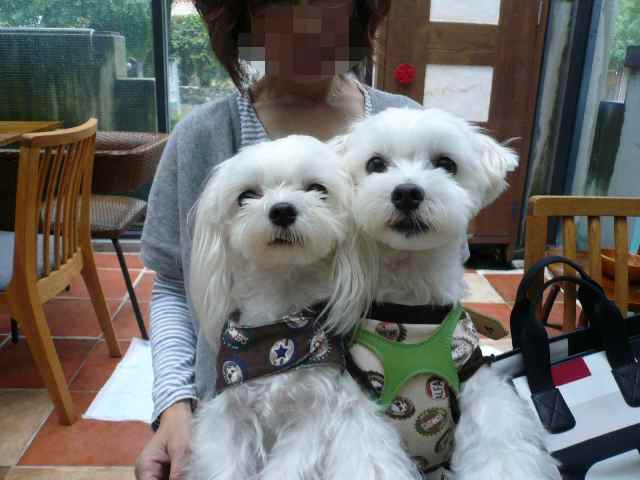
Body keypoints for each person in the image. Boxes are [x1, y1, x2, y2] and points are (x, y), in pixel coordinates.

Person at [135, 1, 433, 478]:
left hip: (393, 424)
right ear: (242, 16)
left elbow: (441, 271)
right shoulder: (202, 138)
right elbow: (173, 283)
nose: (306, 23)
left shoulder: (407, 126)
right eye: (280, 4)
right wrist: (174, 406)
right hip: (234, 425)